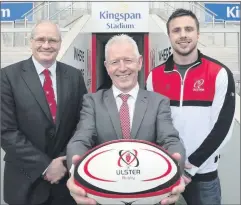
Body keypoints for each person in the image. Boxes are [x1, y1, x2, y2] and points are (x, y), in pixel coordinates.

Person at [66, 34, 186, 205]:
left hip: (149, 197)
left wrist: (176, 170)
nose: (122, 68)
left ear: (139, 62)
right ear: (107, 67)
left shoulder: (159, 102)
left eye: (128, 60)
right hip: (105, 196)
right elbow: (80, 139)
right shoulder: (92, 101)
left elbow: (171, 140)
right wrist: (76, 171)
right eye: (115, 62)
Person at [146, 9, 236, 205]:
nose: (183, 35)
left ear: (198, 33)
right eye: (176, 30)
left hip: (204, 173)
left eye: (189, 29)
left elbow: (223, 129)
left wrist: (190, 167)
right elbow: (151, 126)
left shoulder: (220, 73)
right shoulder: (154, 76)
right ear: (169, 35)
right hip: (165, 171)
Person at [1, 20, 87, 205]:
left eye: (52, 40)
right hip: (24, 182)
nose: (46, 45)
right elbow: (6, 131)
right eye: (40, 39)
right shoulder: (7, 76)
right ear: (30, 41)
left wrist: (63, 161)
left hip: (66, 184)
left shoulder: (74, 76)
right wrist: (46, 166)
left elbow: (83, 124)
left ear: (60, 43)